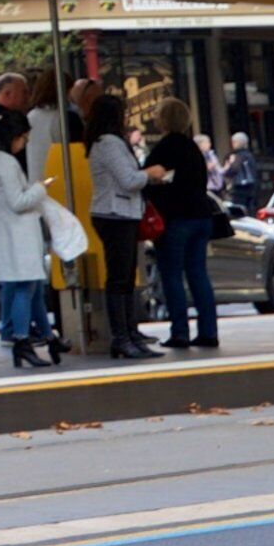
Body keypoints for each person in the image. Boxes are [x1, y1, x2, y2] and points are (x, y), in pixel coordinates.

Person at [0, 112, 64, 367]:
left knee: (32, 289)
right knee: (26, 289)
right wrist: (40, 187)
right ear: (12, 137)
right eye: (23, 138)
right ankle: (22, 340)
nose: (24, 143)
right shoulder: (6, 162)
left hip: (6, 231)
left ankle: (48, 338)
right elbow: (18, 202)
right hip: (19, 234)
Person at [145, 97, 223, 353]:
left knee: (171, 274)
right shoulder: (193, 149)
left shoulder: (164, 149)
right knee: (198, 273)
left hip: (176, 219)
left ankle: (180, 331)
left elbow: (147, 179)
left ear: (162, 120)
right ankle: (208, 331)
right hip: (201, 216)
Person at [87, 97, 156, 360]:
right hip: (115, 213)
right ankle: (122, 337)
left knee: (125, 276)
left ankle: (129, 333)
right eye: (123, 114)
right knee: (119, 277)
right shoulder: (109, 143)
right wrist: (151, 174)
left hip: (119, 214)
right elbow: (128, 180)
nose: (127, 119)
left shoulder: (105, 143)